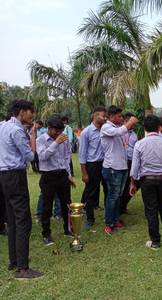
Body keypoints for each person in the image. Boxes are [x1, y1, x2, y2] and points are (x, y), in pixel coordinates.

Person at [0, 100, 43, 279]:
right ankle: (23, 269)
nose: (32, 114)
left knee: (12, 219)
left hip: (3, 176)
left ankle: (14, 261)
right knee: (23, 220)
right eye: (29, 111)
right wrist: (32, 136)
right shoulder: (17, 130)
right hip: (15, 176)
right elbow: (30, 156)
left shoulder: (2, 125)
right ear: (20, 112)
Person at [130, 115, 162, 250]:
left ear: (145, 128)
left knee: (151, 210)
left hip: (147, 181)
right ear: (158, 127)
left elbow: (135, 168)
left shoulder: (139, 144)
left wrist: (132, 183)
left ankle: (155, 242)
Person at [37, 115, 76, 246]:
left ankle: (68, 229)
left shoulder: (64, 140)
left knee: (67, 204)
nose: (59, 134)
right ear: (49, 128)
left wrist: (69, 175)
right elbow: (42, 157)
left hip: (62, 175)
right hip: (48, 176)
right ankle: (46, 234)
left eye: (61, 131)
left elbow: (66, 158)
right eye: (56, 131)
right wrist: (55, 143)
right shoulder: (41, 140)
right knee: (47, 206)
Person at [101, 105, 137, 235]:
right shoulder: (106, 127)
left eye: (122, 116)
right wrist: (129, 123)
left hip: (122, 167)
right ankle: (109, 223)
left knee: (118, 195)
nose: (122, 118)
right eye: (119, 116)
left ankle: (115, 219)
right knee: (112, 196)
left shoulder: (119, 128)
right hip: (112, 167)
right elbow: (118, 132)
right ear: (111, 116)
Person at [79, 106, 108, 230]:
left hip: (106, 163)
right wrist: (84, 172)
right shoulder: (87, 132)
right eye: (103, 115)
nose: (105, 118)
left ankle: (110, 216)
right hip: (92, 165)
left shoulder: (106, 130)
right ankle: (89, 218)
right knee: (91, 192)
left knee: (107, 189)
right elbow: (82, 154)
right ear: (95, 116)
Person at [119, 112, 139, 215]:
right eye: (132, 122)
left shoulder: (134, 135)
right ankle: (118, 207)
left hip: (131, 162)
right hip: (121, 161)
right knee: (121, 185)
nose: (134, 125)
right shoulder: (120, 132)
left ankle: (123, 205)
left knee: (129, 184)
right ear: (126, 121)